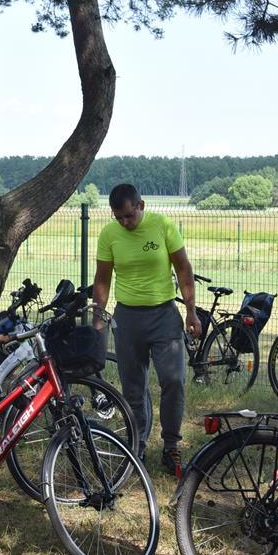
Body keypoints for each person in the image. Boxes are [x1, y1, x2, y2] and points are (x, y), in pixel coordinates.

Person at [92, 183, 200, 477]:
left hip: (164, 315)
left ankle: (170, 446)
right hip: (127, 319)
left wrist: (191, 311)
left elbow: (183, 267)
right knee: (133, 388)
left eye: (128, 216)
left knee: (174, 380)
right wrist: (98, 317)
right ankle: (136, 446)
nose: (125, 223)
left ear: (140, 205)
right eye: (119, 218)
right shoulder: (109, 235)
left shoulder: (162, 226)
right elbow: (102, 280)